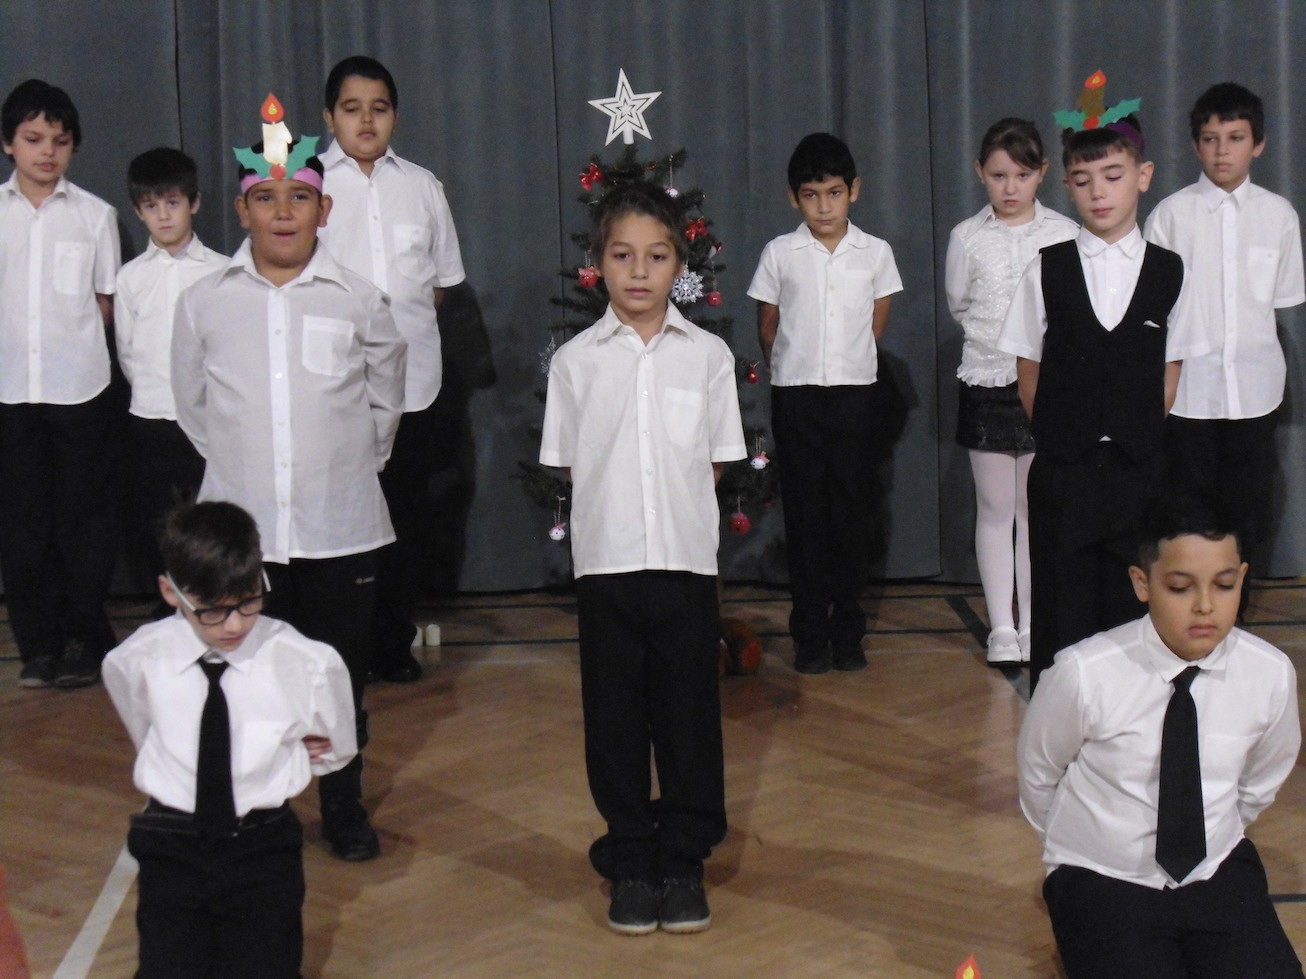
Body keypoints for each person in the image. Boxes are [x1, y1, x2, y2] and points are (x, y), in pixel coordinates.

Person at [172, 96, 406, 861]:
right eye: (266, 197)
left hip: (340, 525)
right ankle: (254, 806)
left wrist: (348, 461)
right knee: (244, 676)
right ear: (242, 210)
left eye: (299, 196)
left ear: (323, 209)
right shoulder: (205, 302)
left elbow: (385, 394)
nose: (283, 212)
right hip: (245, 537)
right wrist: (245, 467)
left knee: (337, 676)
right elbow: (194, 406)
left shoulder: (358, 299)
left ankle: (342, 803)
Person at [540, 181, 745, 935]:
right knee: (615, 719)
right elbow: (572, 463)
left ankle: (684, 859)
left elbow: (714, 461)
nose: (639, 271)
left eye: (656, 257)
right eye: (623, 256)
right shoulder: (575, 363)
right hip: (607, 567)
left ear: (679, 266)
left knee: (689, 718)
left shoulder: (709, 357)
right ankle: (629, 858)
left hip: (685, 565)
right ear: (599, 263)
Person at [1017, 490, 1303, 978]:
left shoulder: (1269, 674)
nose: (1205, 606)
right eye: (1180, 587)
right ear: (1142, 583)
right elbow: (1038, 776)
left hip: (1213, 868)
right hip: (1103, 875)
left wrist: (1213, 832)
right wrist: (1084, 847)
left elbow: (1263, 776)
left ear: (1242, 579)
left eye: (1224, 585)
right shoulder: (1084, 673)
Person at [996, 81, 1208, 689]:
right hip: (1064, 473)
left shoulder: (1169, 272)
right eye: (1085, 180)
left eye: (1113, 176)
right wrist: (1065, 435)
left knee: (1132, 606)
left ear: (1143, 176)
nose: (1099, 192)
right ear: (1067, 185)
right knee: (1060, 605)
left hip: (1139, 473)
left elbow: (1171, 371)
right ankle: (1060, 719)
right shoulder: (1048, 268)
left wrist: (1131, 432)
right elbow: (1029, 369)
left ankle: (1131, 720)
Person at [103, 501, 357, 979]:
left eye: (248, 602)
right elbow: (145, 731)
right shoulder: (135, 659)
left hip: (262, 845)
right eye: (213, 611)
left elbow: (336, 747)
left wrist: (283, 755)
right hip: (170, 842)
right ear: (171, 592)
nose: (235, 624)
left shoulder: (306, 662)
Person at [319, 55, 466, 683]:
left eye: (378, 108)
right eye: (351, 109)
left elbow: (440, 284)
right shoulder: (308, 185)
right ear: (329, 117)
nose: (366, 121)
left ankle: (391, 641)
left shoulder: (423, 187)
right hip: (336, 386)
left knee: (405, 517)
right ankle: (339, 648)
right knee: (342, 520)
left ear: (395, 116)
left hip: (413, 385)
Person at [747, 132, 902, 674]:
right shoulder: (779, 253)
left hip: (856, 395)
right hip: (797, 397)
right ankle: (809, 634)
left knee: (851, 513)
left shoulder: (875, 252)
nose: (824, 207)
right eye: (811, 196)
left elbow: (876, 322)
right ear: (794, 197)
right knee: (806, 514)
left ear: (853, 190)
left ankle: (849, 631)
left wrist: (848, 361)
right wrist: (794, 366)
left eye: (834, 193)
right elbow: (768, 324)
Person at [1144, 82, 1305, 590]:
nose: (1222, 151)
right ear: (1195, 145)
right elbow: (1152, 308)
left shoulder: (1278, 215)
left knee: (1248, 504)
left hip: (1254, 389)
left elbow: (1278, 298)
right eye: (1211, 139)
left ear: (1258, 144)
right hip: (1188, 392)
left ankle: (1236, 608)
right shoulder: (1171, 216)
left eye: (1235, 138)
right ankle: (1188, 605)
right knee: (1187, 505)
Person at [0, 78, 121, 690]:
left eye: (60, 140)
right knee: (24, 523)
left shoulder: (95, 216)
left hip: (80, 389)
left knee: (83, 521)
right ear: (8, 144)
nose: (47, 151)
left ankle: (83, 638)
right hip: (9, 391)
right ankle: (38, 644)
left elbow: (106, 302)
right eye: (33, 139)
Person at [945, 118, 1078, 665]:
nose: (1010, 187)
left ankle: (1033, 622)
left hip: (1046, 384)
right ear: (981, 172)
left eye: (1022, 175)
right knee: (996, 507)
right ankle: (1002, 625)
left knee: (1035, 507)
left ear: (1042, 173)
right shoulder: (967, 236)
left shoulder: (1064, 233)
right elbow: (960, 303)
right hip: (987, 379)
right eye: (999, 175)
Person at [115, 147, 227, 598]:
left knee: (211, 514)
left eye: (173, 203)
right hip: (151, 416)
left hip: (207, 418)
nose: (163, 216)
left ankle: (214, 599)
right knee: (157, 519)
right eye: (151, 205)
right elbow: (127, 351)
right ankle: (169, 605)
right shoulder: (130, 278)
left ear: (194, 203)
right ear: (138, 211)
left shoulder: (222, 271)